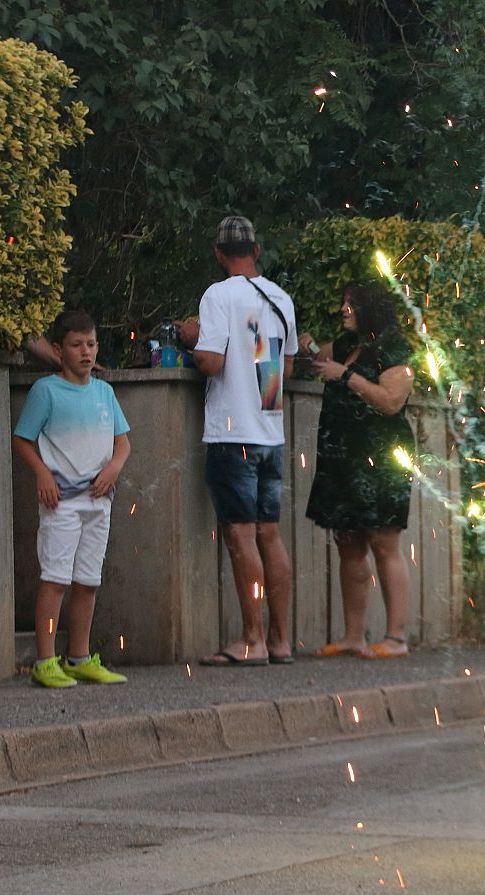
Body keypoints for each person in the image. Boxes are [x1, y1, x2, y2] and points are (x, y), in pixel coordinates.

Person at [179, 215, 298, 666]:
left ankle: (251, 640)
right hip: (270, 433)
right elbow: (282, 371)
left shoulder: (218, 295)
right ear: (257, 248)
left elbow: (210, 362)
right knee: (270, 534)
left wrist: (191, 339)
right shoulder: (280, 298)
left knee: (240, 536)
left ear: (218, 253)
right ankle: (281, 640)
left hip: (233, 435)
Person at [12, 310, 131, 688]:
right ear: (57, 349)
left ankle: (79, 657)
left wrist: (114, 467)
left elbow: (123, 442)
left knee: (88, 581)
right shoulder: (46, 391)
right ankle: (45, 661)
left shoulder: (104, 392)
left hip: (100, 501)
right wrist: (43, 473)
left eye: (91, 344)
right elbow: (22, 438)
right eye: (77, 345)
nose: (86, 352)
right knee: (56, 579)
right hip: (62, 502)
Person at [302, 281, 417, 659]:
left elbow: (390, 401)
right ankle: (354, 636)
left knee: (384, 544)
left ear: (371, 308)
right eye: (343, 302)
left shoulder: (394, 348)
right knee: (348, 543)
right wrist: (305, 345)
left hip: (381, 460)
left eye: (351, 304)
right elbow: (321, 358)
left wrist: (346, 376)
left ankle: (396, 638)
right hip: (343, 459)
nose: (343, 309)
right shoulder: (347, 345)